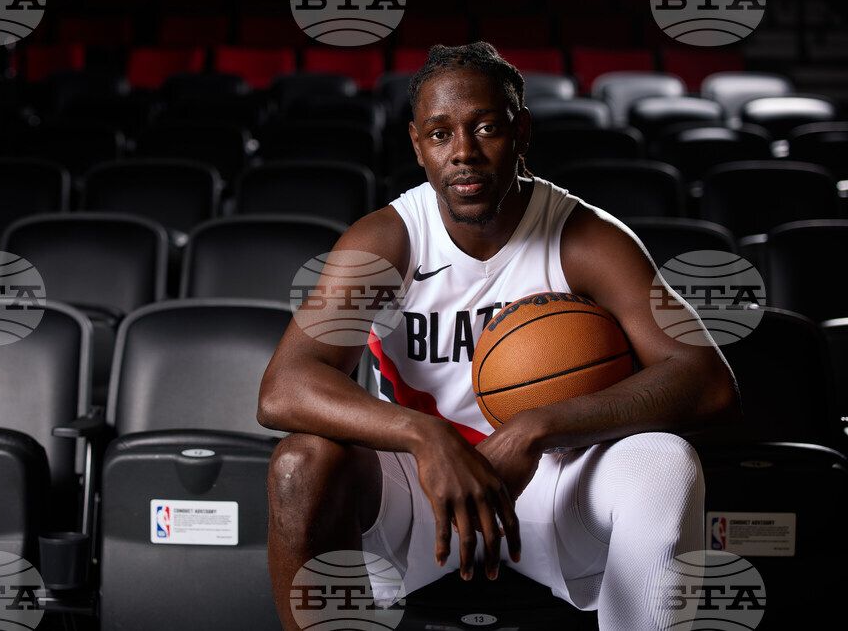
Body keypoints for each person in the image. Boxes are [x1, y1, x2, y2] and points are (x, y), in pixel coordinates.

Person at [258, 42, 739, 630]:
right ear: (417, 145)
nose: (463, 152)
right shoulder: (388, 241)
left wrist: (537, 429)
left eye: (485, 127)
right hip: (420, 492)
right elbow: (283, 387)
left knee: (668, 462)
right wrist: (425, 436)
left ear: (521, 130)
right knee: (298, 465)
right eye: (440, 134)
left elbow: (708, 381)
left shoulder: (584, 237)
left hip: (556, 484)